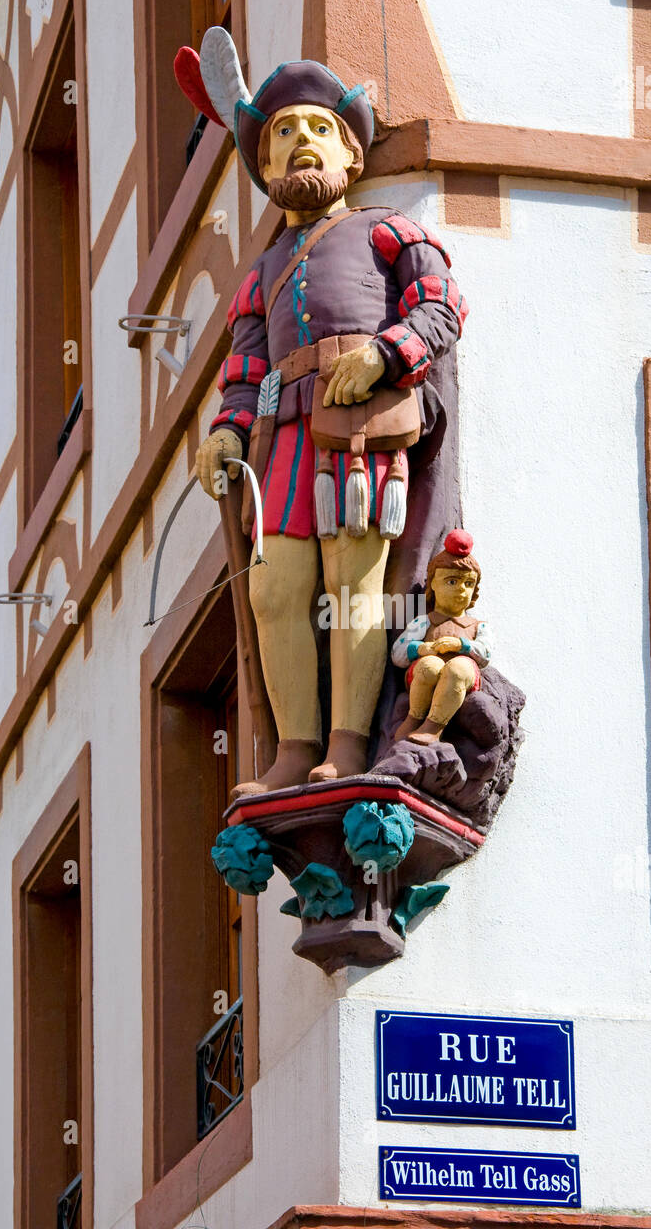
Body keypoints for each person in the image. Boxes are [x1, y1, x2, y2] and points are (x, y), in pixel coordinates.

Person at [192, 57, 468, 793]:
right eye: (283, 132)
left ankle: (346, 745)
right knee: (274, 591)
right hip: (281, 433)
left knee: (353, 585)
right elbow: (245, 364)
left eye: (321, 127)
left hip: (361, 422)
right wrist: (226, 429)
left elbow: (441, 308)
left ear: (352, 153)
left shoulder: (388, 231)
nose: (302, 140)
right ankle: (293, 749)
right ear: (264, 160)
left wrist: (386, 354)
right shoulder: (261, 271)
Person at [391, 530, 491, 745]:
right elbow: (398, 653)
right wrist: (421, 649)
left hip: (462, 676)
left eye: (468, 584)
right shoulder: (424, 622)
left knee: (459, 668)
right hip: (425, 672)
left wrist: (462, 645)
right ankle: (414, 717)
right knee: (430, 665)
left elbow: (485, 653)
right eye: (452, 582)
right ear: (433, 583)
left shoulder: (478, 626)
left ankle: (434, 726)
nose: (461, 590)